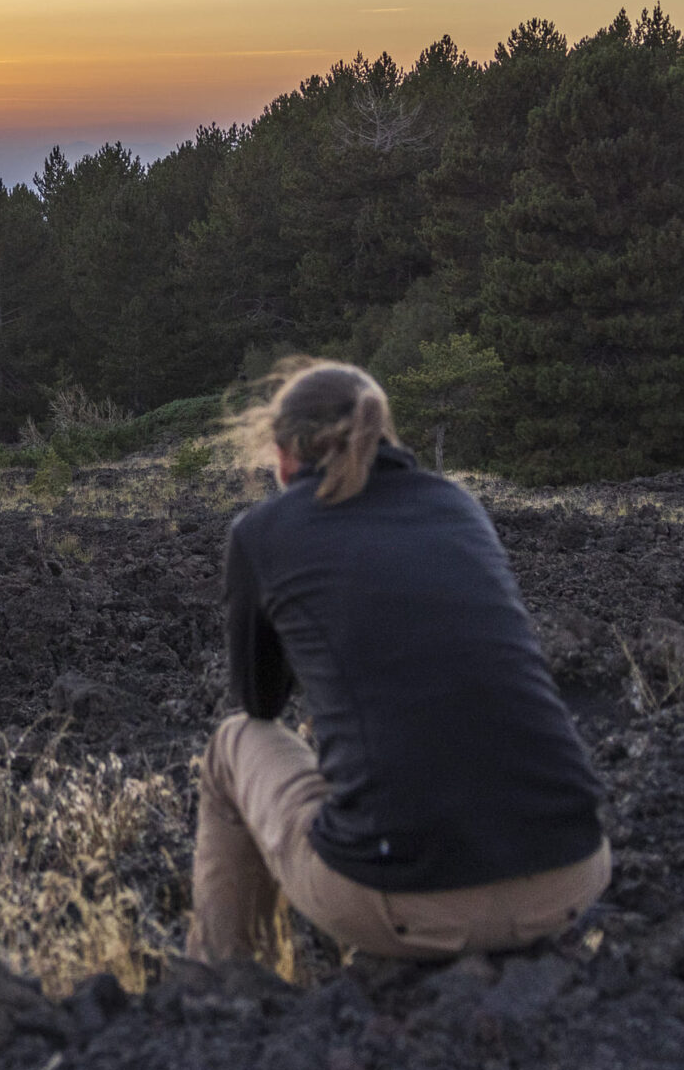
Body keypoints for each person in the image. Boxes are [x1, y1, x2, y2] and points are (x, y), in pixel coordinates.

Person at [188, 359, 609, 964]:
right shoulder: (457, 505)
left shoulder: (264, 531)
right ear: (382, 432)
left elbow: (259, 701)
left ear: (283, 456)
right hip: (572, 874)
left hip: (405, 903)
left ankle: (217, 982)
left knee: (233, 744)